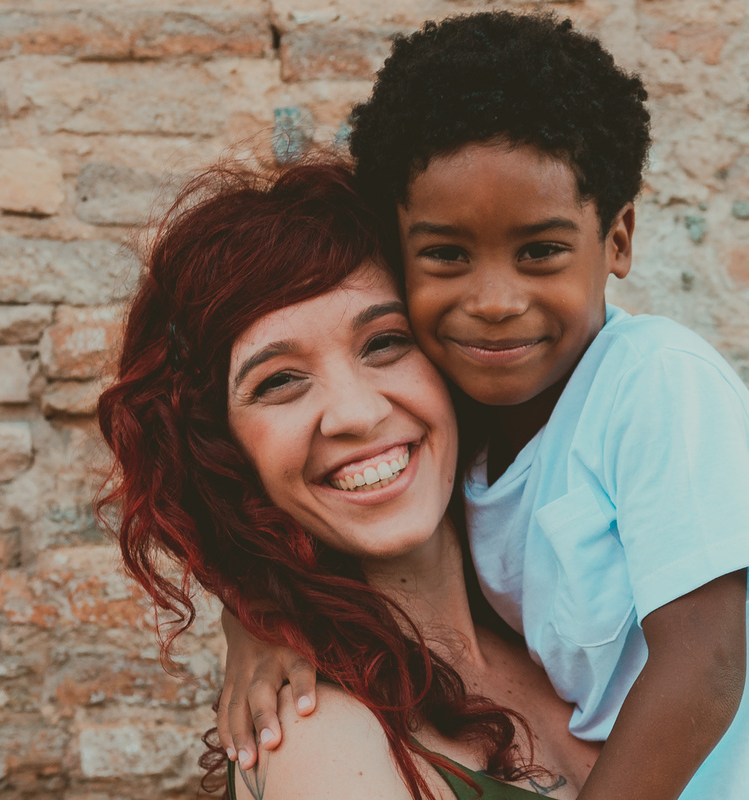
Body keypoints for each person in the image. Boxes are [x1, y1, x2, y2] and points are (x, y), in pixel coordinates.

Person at [218, 11, 749, 800]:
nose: (495, 300)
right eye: (446, 255)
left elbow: (705, 665)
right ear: (399, 254)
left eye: (540, 252)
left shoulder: (655, 385)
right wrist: (250, 619)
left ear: (619, 240)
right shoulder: (465, 438)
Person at [97, 160, 602, 800]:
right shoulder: (320, 737)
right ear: (222, 449)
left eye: (385, 343)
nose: (358, 413)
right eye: (279, 381)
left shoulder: (568, 612)